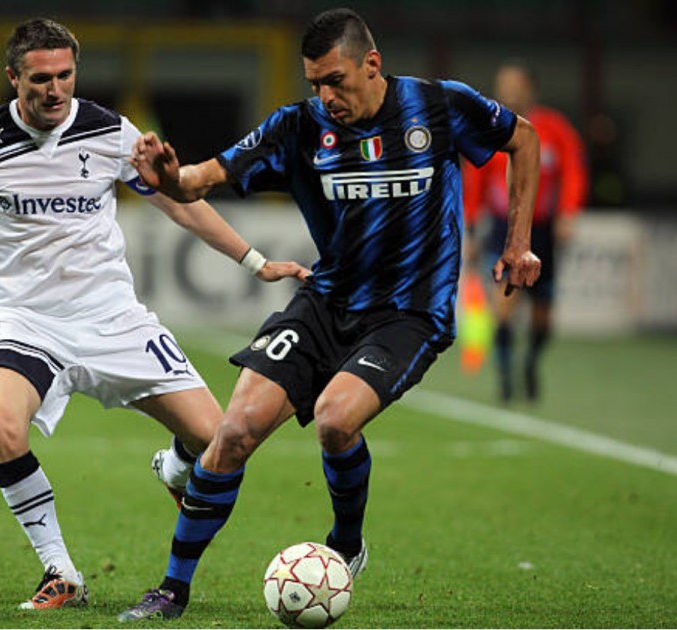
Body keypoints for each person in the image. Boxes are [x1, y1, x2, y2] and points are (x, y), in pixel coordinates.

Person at [0, 18, 307, 611]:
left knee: (217, 442)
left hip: (113, 317)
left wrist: (255, 262)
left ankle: (173, 468)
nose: (55, 89)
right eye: (40, 78)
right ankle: (61, 572)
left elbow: (180, 205)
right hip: (25, 320)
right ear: (13, 76)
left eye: (65, 75)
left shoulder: (110, 133)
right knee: (1, 426)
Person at [118, 7, 542, 622]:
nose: (326, 95)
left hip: (409, 314)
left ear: (372, 64)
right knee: (233, 432)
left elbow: (522, 137)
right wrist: (167, 177)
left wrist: (517, 240)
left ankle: (345, 545)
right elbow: (200, 180)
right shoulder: (297, 126)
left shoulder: (439, 106)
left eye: (336, 80)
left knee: (336, 421)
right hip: (327, 301)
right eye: (315, 82)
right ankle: (171, 590)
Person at [462, 60, 588, 403]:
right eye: (503, 85)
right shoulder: (487, 128)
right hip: (503, 229)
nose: (508, 91)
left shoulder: (554, 128)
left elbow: (573, 172)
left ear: (530, 88)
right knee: (503, 306)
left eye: (515, 84)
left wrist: (567, 213)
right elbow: (474, 183)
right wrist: (471, 230)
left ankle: (531, 362)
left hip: (543, 231)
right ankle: (505, 378)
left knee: (542, 318)